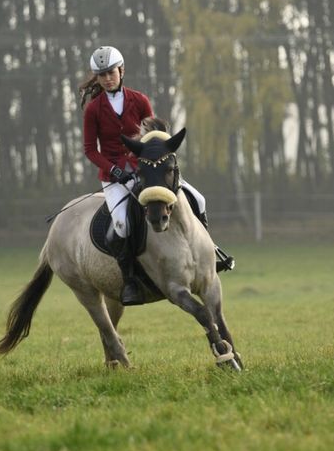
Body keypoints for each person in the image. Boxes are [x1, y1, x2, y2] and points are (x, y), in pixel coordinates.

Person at [80, 45, 235, 306]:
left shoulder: (140, 100)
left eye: (111, 72)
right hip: (115, 177)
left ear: (122, 71)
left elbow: (152, 138)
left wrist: (154, 163)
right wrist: (114, 170)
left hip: (147, 169)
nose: (107, 78)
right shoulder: (93, 109)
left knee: (199, 199)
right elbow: (89, 149)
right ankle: (130, 279)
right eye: (102, 74)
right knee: (122, 224)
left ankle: (207, 257)